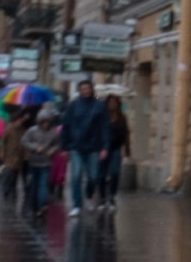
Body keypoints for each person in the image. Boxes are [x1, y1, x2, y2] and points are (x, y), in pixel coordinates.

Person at [60, 79, 108, 218]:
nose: (85, 91)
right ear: (79, 90)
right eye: (83, 88)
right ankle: (76, 205)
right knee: (76, 175)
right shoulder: (73, 106)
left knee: (93, 177)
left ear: (91, 89)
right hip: (76, 146)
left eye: (87, 88)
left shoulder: (99, 105)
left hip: (93, 146)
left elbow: (105, 127)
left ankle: (87, 196)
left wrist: (105, 146)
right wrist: (64, 147)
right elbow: (66, 127)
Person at [22, 109, 58, 217]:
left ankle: (43, 204)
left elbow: (57, 144)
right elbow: (24, 141)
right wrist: (35, 147)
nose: (46, 124)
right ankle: (34, 204)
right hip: (33, 162)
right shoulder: (32, 131)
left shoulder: (54, 132)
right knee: (34, 184)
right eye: (43, 121)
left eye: (47, 121)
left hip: (46, 162)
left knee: (43, 184)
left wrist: (53, 150)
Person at [97, 94, 130, 211]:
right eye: (110, 102)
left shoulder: (122, 118)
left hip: (116, 149)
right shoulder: (102, 117)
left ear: (118, 104)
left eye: (115, 102)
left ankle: (111, 196)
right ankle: (102, 197)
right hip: (103, 150)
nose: (112, 104)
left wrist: (127, 150)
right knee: (101, 174)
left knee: (115, 172)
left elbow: (126, 134)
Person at [0, 108, 27, 200]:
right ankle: (6, 190)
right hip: (9, 155)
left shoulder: (23, 130)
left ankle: (12, 190)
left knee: (15, 174)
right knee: (9, 174)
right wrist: (2, 152)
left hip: (19, 156)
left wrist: (25, 155)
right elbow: (2, 142)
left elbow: (25, 143)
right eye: (19, 120)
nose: (20, 122)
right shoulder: (8, 129)